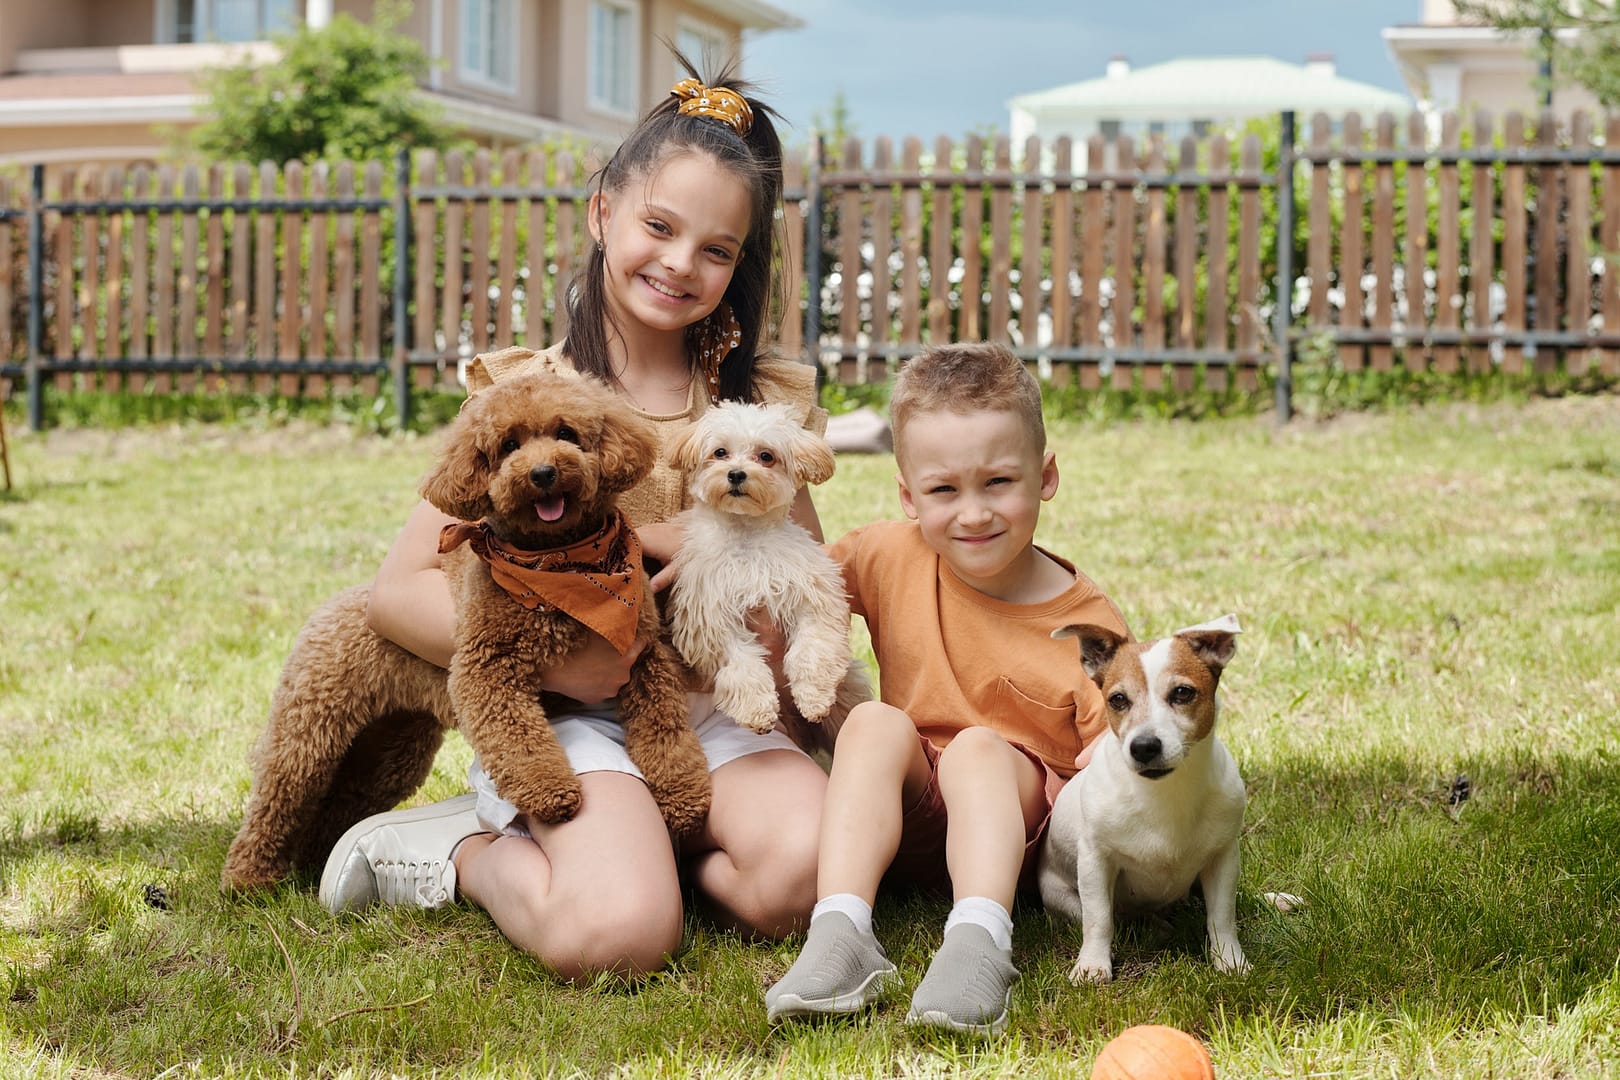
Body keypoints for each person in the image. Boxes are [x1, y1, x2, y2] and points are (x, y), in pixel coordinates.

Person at [317, 57, 830, 981]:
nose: (680, 263)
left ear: (738, 265)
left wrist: (801, 703)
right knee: (617, 939)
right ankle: (450, 851)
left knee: (803, 878)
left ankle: (645, 849)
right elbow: (397, 594)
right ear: (603, 213)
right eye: (659, 226)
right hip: (568, 720)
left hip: (708, 708)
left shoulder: (753, 409)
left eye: (716, 250)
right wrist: (562, 654)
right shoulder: (528, 398)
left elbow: (801, 578)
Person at [764, 342, 1132, 1035]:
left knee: (979, 750)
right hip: (904, 821)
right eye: (943, 491)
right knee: (872, 721)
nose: (973, 514)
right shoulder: (887, 553)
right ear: (908, 495)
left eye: (999, 482)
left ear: (1045, 476)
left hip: (1011, 841)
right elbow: (794, 578)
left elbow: (1126, 756)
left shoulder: (1088, 631)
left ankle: (979, 941)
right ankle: (841, 930)